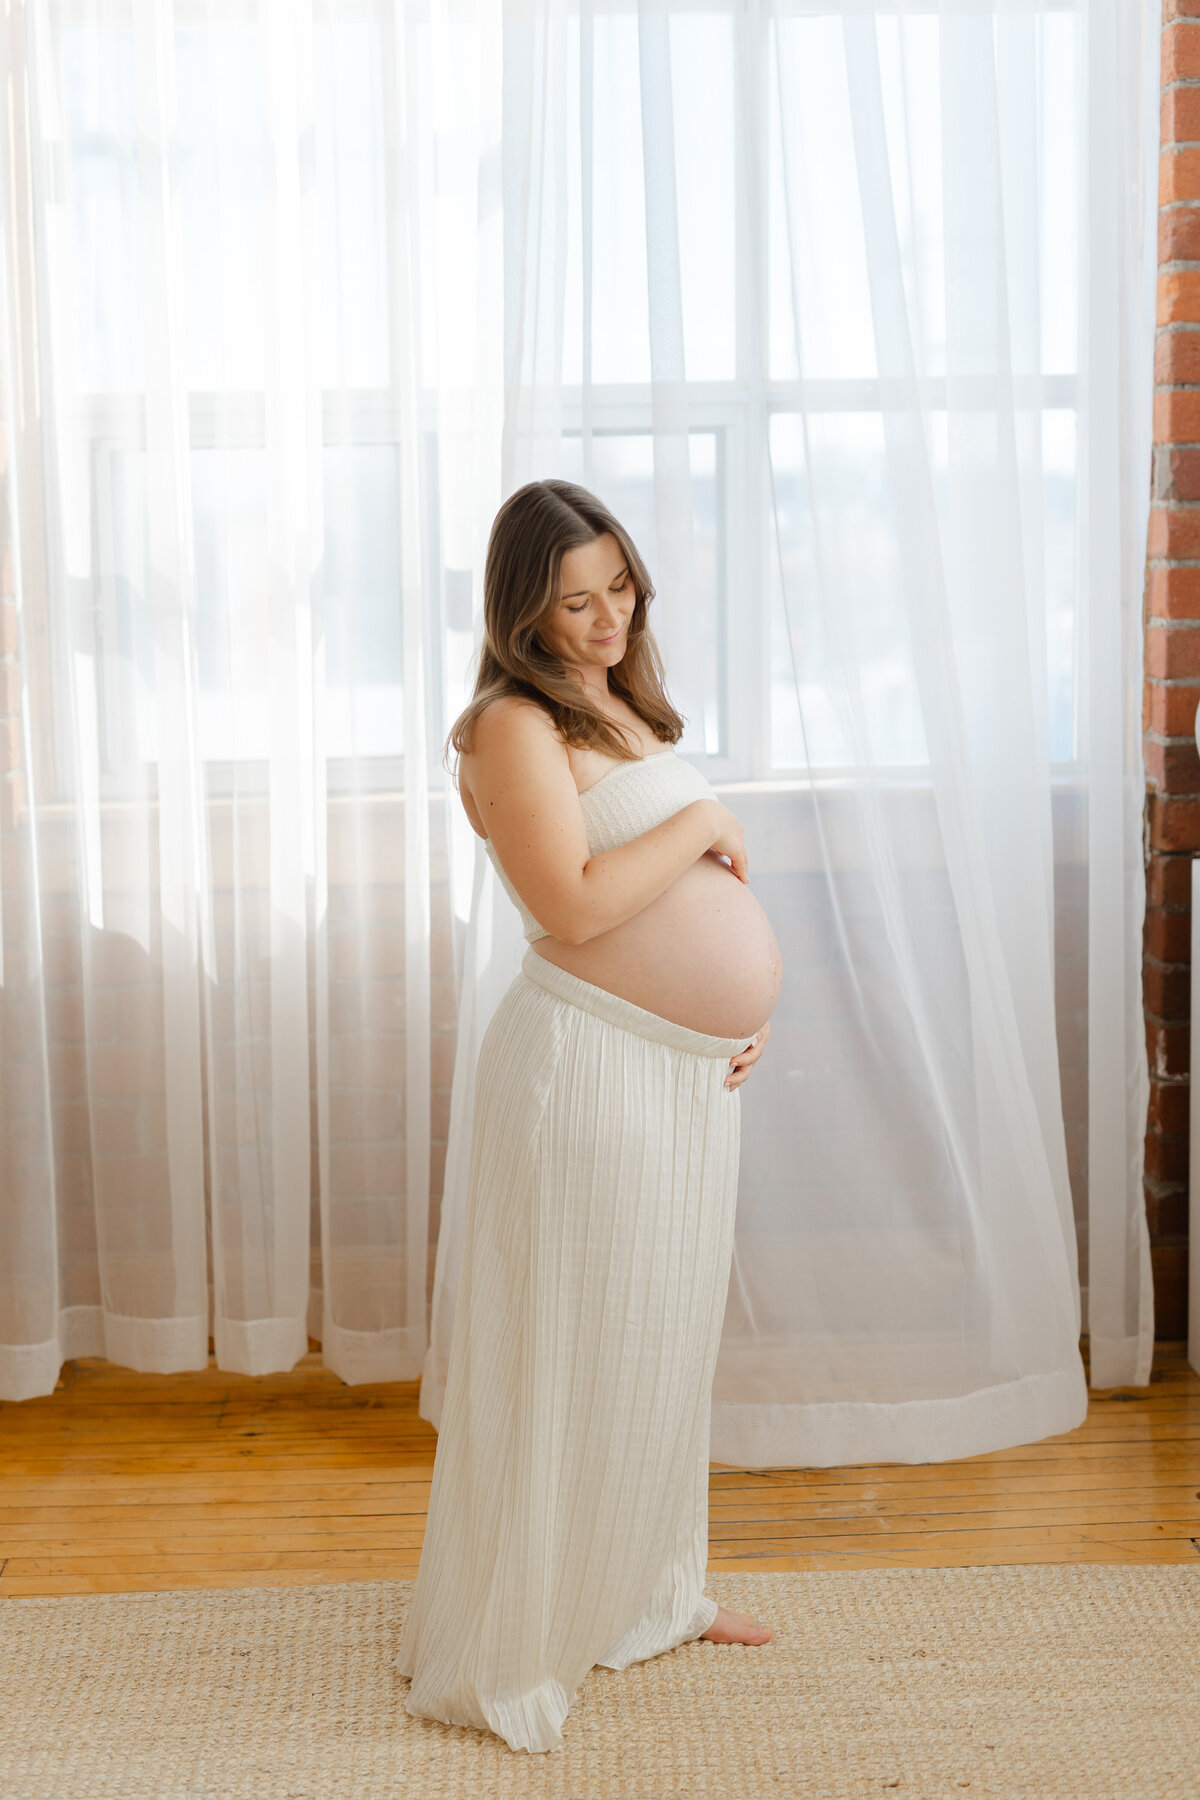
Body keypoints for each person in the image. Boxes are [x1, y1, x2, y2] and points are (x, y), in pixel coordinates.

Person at [395, 478, 784, 1753]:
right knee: (568, 1346)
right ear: (523, 608)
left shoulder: (621, 704)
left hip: (680, 1073)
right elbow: (568, 904)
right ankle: (514, 1641)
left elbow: (678, 915)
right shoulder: (509, 723)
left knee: (663, 1344)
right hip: (588, 1071)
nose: (608, 616)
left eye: (620, 587)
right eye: (576, 599)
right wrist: (705, 823)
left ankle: (650, 1594)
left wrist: (743, 1011)